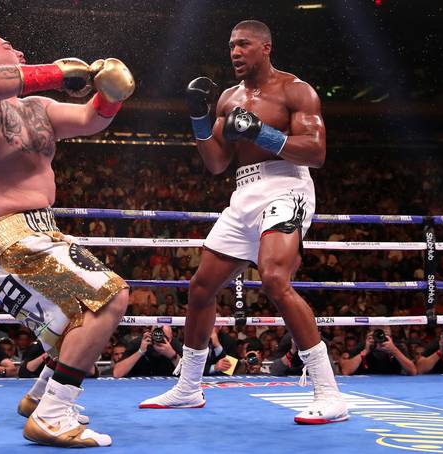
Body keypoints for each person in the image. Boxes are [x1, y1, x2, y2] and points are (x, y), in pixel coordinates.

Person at [140, 20, 348, 424]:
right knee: (200, 287)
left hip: (286, 186)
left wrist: (263, 133)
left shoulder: (295, 90)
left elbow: (317, 152)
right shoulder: (228, 98)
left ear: (266, 48)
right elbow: (217, 163)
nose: (235, 52)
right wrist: (199, 119)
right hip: (244, 191)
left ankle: (329, 392)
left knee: (274, 279)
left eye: (243, 45)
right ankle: (188, 388)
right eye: (231, 46)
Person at [0, 31, 134, 447]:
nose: (20, 51)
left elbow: (90, 120)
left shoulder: (36, 108)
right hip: (4, 235)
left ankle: (39, 397)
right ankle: (52, 416)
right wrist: (53, 73)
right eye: (8, 47)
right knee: (108, 296)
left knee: (74, 320)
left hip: (38, 231)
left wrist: (111, 95)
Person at [339, 327, 417, 376]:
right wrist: (365, 351)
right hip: (365, 387)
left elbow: (413, 371)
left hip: (392, 387)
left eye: (384, 334)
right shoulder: (363, 347)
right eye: (377, 334)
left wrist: (394, 351)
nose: (379, 338)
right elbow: (345, 371)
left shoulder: (397, 347)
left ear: (390, 337)